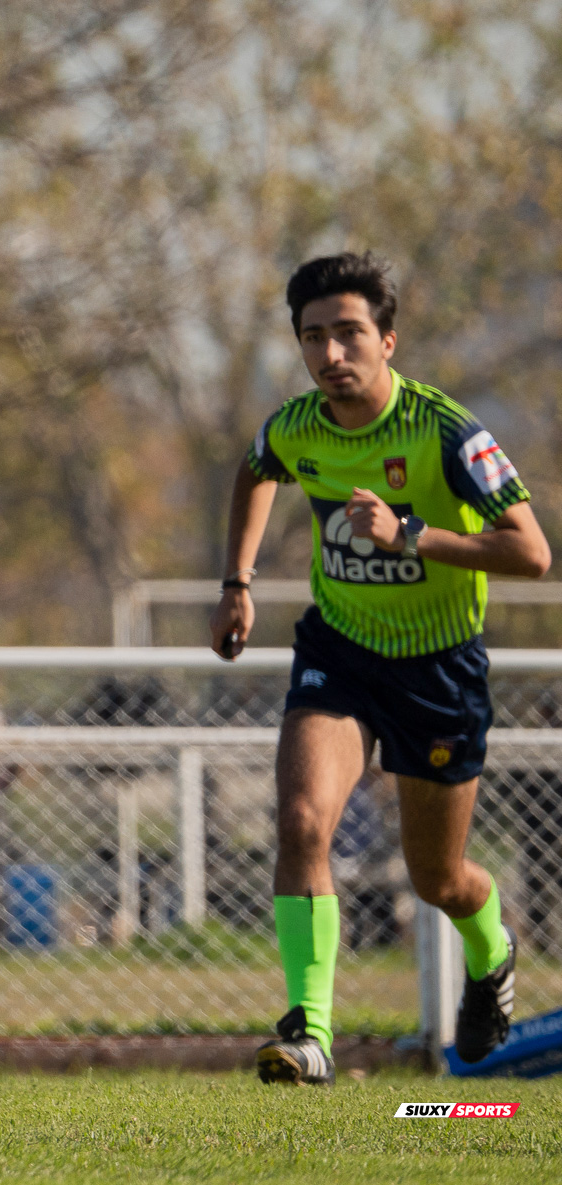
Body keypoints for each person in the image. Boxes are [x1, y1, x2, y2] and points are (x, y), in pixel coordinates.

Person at [212, 252, 550, 1084]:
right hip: (342, 651)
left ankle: (492, 948)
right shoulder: (297, 426)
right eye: (313, 337)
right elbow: (257, 468)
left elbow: (532, 553)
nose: (331, 353)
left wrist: (415, 535)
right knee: (300, 821)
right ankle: (311, 1031)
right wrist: (237, 583)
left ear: (388, 340)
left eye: (349, 333)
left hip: (439, 670)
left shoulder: (447, 432)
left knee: (437, 877)